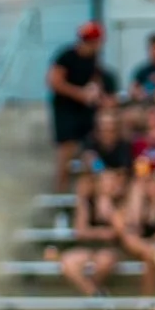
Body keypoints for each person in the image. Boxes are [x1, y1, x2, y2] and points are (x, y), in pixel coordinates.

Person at [48, 22, 116, 189]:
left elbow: (96, 82)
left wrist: (96, 94)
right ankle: (61, 189)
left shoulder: (94, 60)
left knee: (89, 149)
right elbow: (54, 81)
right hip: (66, 110)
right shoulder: (67, 57)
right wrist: (80, 94)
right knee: (66, 150)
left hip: (85, 111)